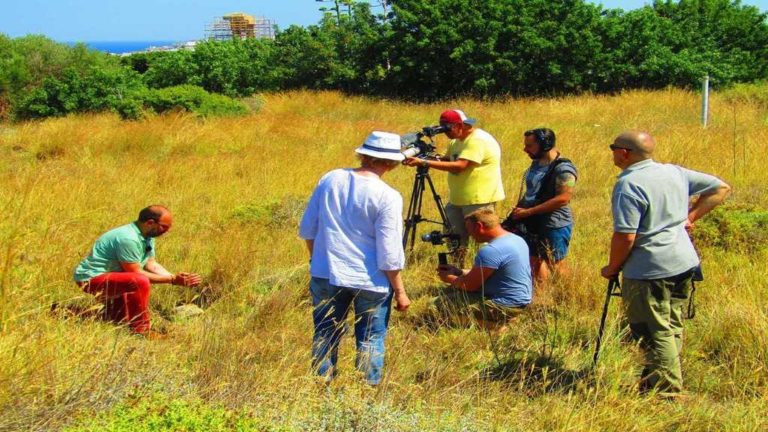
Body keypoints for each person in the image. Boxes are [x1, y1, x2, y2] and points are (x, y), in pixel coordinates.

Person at [601, 131, 730, 395]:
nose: (612, 152)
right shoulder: (674, 172)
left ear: (624, 153)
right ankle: (653, 381)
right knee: (671, 323)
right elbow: (721, 187)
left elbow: (626, 235)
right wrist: (690, 217)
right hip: (684, 262)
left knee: (652, 331)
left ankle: (667, 392)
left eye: (613, 148)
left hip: (650, 269)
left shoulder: (629, 184)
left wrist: (612, 267)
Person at [299, 131, 411, 386]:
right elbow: (389, 252)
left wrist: (316, 261)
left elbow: (308, 228)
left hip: (325, 272)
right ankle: (365, 394)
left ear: (364, 155)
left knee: (325, 333)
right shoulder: (388, 195)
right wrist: (400, 291)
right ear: (392, 163)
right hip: (370, 280)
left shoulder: (330, 179)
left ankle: (320, 388)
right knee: (370, 338)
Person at [73, 205, 202, 336]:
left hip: (113, 277)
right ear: (150, 222)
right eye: (164, 227)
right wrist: (173, 280)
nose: (166, 231)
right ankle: (142, 330)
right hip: (91, 279)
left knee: (117, 319)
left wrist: (176, 277)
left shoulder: (146, 236)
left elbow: (150, 263)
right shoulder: (128, 238)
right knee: (139, 281)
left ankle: (69, 312)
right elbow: (135, 273)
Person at [404, 109, 504, 263]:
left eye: (448, 129)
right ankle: (458, 266)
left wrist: (424, 162)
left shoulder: (477, 139)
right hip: (458, 198)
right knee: (453, 234)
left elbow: (460, 166)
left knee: (482, 236)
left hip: (479, 198)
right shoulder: (456, 141)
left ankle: (482, 271)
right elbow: (446, 159)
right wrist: (424, 157)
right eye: (443, 130)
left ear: (460, 125)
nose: (447, 134)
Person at [503, 128, 577, 285]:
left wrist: (528, 211)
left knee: (555, 263)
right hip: (531, 220)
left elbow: (563, 199)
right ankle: (540, 297)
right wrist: (517, 212)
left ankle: (570, 294)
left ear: (545, 145)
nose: (525, 149)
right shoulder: (536, 163)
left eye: (530, 146)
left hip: (553, 223)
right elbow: (531, 192)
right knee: (534, 260)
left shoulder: (564, 169)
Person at [435, 208, 532, 327]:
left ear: (479, 226)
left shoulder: (491, 250)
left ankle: (496, 325)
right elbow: (492, 273)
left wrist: (448, 277)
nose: (469, 234)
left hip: (503, 305)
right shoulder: (516, 239)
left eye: (469, 230)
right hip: (518, 301)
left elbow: (469, 286)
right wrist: (459, 272)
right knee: (450, 292)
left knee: (435, 306)